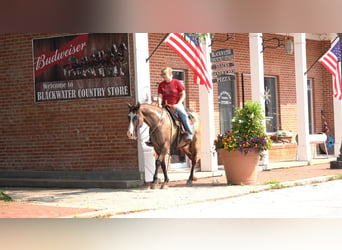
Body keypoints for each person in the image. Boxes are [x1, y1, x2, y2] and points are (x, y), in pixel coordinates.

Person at [158, 67, 193, 142]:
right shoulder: (161, 85)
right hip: (166, 105)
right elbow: (160, 96)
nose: (163, 76)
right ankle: (152, 138)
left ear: (170, 74)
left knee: (183, 114)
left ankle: (189, 133)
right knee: (156, 117)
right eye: (162, 75)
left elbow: (183, 94)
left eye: (164, 74)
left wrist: (178, 104)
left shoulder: (176, 82)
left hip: (176, 104)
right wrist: (159, 104)